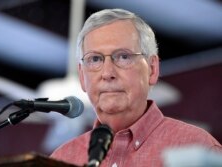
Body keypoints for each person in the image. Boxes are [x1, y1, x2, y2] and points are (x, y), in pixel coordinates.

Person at [50, 8, 222, 166]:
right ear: (81, 76)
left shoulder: (198, 148)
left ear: (152, 69)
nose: (107, 73)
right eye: (95, 59)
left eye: (123, 56)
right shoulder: (62, 159)